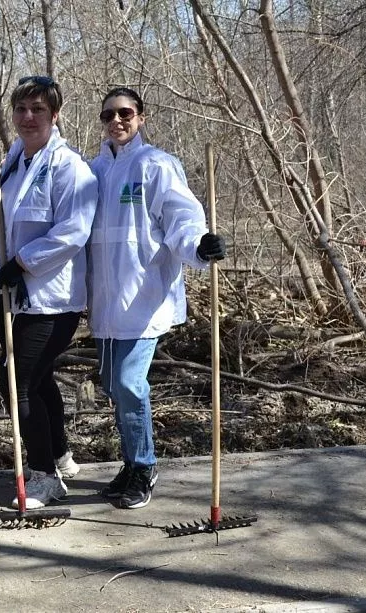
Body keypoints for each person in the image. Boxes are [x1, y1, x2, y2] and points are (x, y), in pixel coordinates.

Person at [87, 87, 227, 510]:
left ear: (141, 117)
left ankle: (145, 466)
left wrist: (200, 245)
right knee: (114, 386)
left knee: (129, 384)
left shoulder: (156, 166)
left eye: (125, 113)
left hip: (144, 299)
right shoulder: (93, 171)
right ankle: (130, 463)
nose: (117, 121)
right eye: (108, 114)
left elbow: (181, 219)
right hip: (105, 304)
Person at [0, 76, 97, 510]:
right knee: (38, 377)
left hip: (51, 297)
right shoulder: (14, 161)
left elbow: (73, 232)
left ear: (55, 116)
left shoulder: (70, 168)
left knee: (15, 380)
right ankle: (59, 453)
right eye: (21, 109)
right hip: (12, 295)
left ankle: (44, 476)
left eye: (38, 109)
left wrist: (21, 263)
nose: (28, 117)